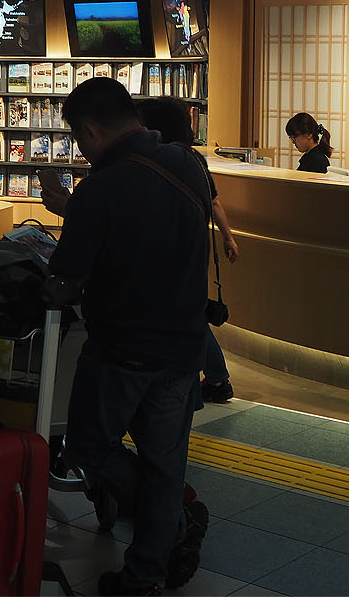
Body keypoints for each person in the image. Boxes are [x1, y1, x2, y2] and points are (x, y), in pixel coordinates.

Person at [41, 78, 210, 596]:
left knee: (90, 447)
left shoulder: (101, 188)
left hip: (122, 349)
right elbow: (147, 231)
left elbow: (66, 277)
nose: (82, 149)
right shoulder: (189, 166)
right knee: (165, 463)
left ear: (91, 130)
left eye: (79, 138)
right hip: (184, 346)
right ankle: (146, 573)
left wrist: (65, 208)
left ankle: (171, 525)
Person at [136, 96, 240, 405]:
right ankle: (215, 377)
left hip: (166, 254)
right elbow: (214, 200)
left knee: (188, 314)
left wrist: (228, 236)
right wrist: (228, 237)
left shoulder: (156, 160)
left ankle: (216, 377)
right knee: (190, 311)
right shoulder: (194, 160)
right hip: (192, 251)